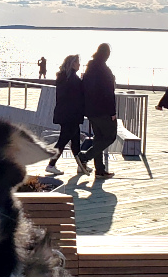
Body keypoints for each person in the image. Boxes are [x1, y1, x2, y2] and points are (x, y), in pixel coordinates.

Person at [78, 43, 117, 179]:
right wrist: (112, 112)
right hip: (104, 111)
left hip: (91, 110)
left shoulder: (90, 69)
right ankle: (84, 156)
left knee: (99, 138)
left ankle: (100, 170)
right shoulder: (103, 70)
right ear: (107, 54)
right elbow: (108, 92)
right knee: (110, 136)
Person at [46, 54, 89, 176]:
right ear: (72, 64)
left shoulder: (64, 78)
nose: (79, 64)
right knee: (63, 140)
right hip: (71, 115)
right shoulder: (73, 79)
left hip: (65, 114)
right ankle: (51, 164)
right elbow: (77, 97)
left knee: (75, 141)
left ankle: (81, 166)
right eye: (77, 62)